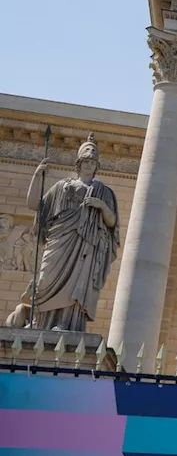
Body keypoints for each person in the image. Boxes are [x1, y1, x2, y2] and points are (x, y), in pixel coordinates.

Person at [18, 134, 119, 331]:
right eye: (86, 161)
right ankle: (40, 322)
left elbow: (112, 222)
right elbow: (34, 205)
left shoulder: (103, 192)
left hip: (85, 244)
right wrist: (37, 176)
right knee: (45, 279)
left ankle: (66, 323)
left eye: (93, 161)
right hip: (59, 239)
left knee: (76, 284)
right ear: (79, 163)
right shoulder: (61, 187)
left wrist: (102, 206)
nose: (89, 164)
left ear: (97, 166)